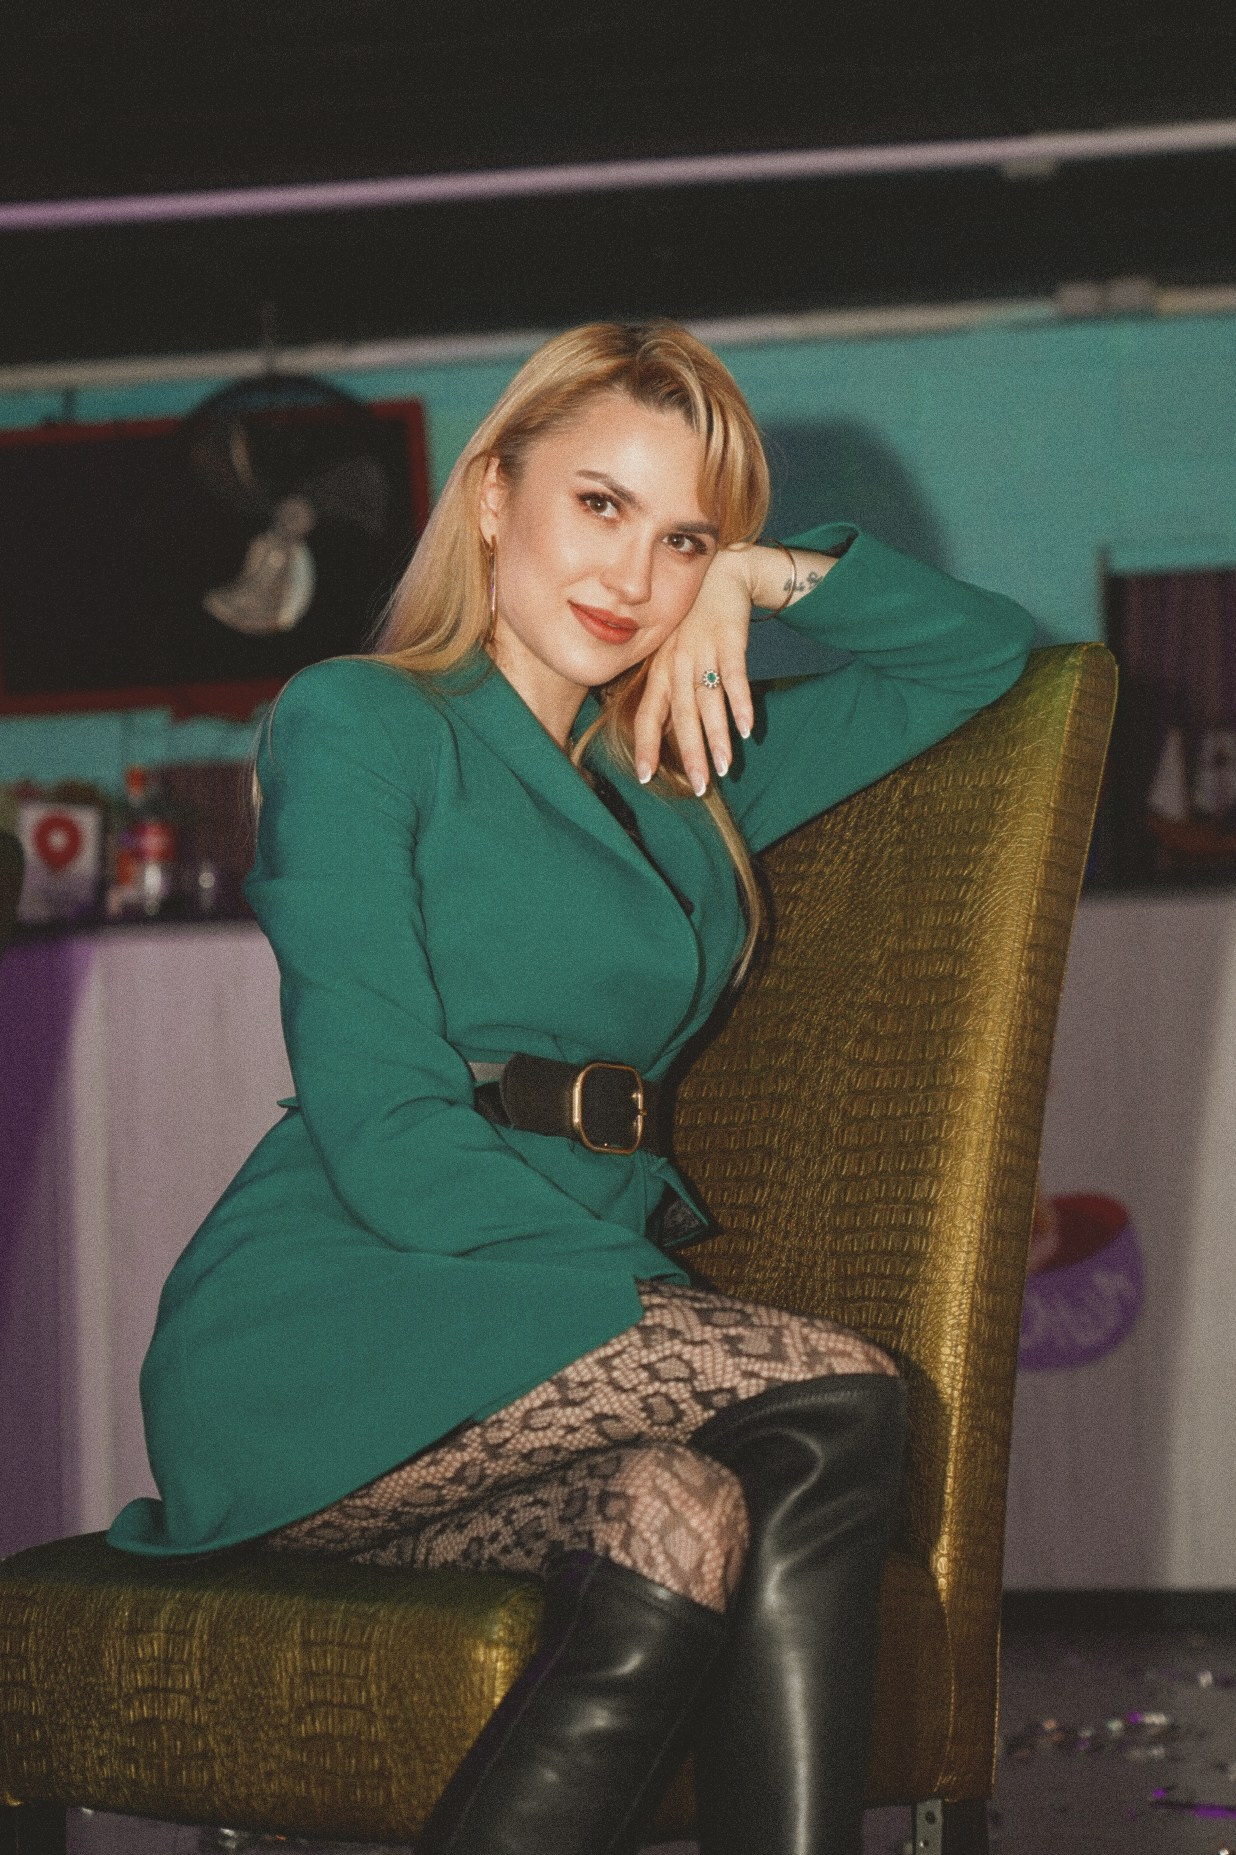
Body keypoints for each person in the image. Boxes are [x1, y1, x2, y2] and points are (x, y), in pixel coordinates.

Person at [108, 322, 1035, 1855]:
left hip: (544, 1326)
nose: (633, 574)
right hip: (347, 1311)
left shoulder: (689, 771)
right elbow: (380, 1119)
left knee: (680, 1519)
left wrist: (766, 576)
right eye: (600, 505)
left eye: (681, 539)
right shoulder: (363, 719)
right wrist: (644, 1307)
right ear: (493, 497)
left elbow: (982, 657)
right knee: (840, 1391)